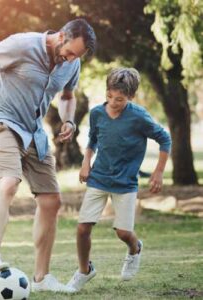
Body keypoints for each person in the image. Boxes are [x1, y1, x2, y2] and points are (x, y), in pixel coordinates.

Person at [0, 19, 96, 293]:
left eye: (77, 56)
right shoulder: (21, 44)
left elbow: (67, 96)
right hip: (2, 123)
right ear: (61, 35)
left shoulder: (72, 64)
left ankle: (42, 278)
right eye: (70, 52)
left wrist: (69, 120)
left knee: (52, 201)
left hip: (34, 132)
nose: (71, 59)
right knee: (9, 182)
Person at [67, 67, 172, 291]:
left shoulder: (139, 117)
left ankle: (135, 249)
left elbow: (165, 139)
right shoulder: (97, 113)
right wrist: (86, 162)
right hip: (98, 178)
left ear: (130, 97)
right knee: (82, 228)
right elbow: (92, 140)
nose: (113, 102)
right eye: (109, 96)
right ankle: (84, 271)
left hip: (125, 183)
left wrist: (159, 172)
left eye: (119, 99)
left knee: (123, 232)